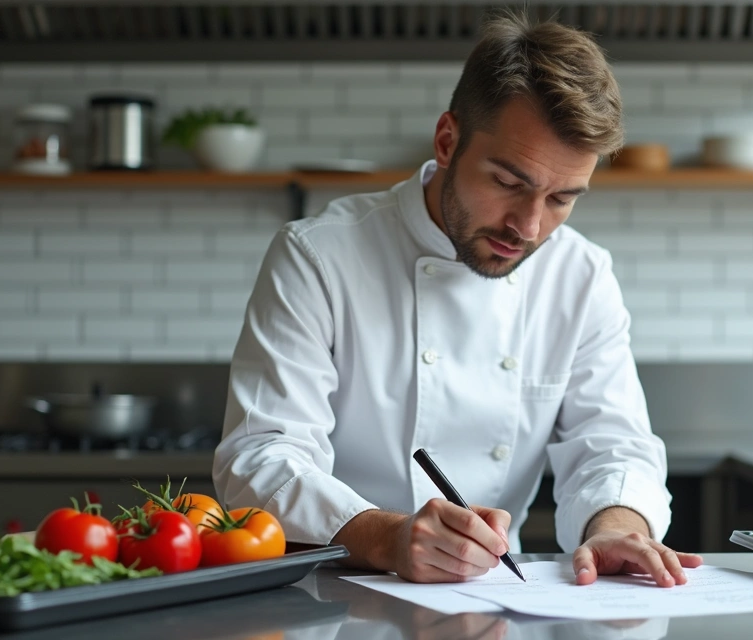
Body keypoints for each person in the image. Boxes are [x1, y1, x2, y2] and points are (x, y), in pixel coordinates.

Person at [213, 11, 702, 587]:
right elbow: (261, 456)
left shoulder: (580, 275)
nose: (529, 227)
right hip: (334, 592)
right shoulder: (318, 255)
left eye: (562, 198)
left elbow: (613, 445)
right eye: (508, 183)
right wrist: (387, 537)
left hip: (496, 593)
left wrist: (616, 527)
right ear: (447, 141)